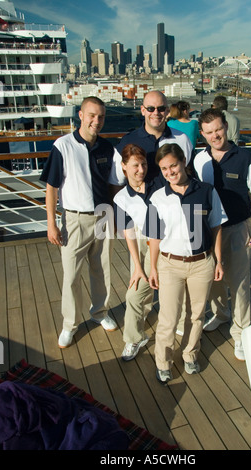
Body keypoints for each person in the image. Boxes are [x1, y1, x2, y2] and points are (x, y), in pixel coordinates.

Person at [40, 96, 118, 349]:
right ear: (81, 116)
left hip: (103, 215)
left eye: (101, 117)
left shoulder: (108, 149)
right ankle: (70, 324)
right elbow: (51, 189)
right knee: (71, 275)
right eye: (92, 115)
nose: (97, 121)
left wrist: (114, 214)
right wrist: (51, 223)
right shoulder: (62, 146)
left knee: (102, 270)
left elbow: (115, 185)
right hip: (74, 218)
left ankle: (100, 313)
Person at [146, 143, 227, 384]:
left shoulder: (207, 191)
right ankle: (163, 361)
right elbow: (154, 236)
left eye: (173, 165)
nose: (170, 172)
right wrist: (153, 267)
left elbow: (216, 226)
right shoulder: (157, 198)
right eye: (164, 169)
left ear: (184, 162)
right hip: (170, 264)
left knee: (196, 315)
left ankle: (190, 354)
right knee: (169, 318)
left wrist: (218, 261)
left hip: (202, 263)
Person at [194, 108, 251, 360]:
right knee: (213, 280)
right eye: (209, 132)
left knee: (239, 284)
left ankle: (241, 332)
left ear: (226, 127)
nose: (215, 135)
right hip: (208, 231)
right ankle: (221, 314)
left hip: (236, 229)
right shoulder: (198, 160)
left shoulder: (246, 158)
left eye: (218, 129)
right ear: (202, 134)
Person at [113, 144, 161, 361]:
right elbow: (129, 233)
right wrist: (138, 267)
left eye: (143, 164)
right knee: (133, 294)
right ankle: (134, 338)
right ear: (124, 167)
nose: (141, 169)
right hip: (141, 243)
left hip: (166, 241)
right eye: (135, 165)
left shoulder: (159, 185)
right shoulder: (121, 198)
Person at [110, 90, 194, 186]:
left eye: (161, 108)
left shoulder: (182, 139)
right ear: (143, 110)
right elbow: (116, 182)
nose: (156, 113)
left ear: (167, 111)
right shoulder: (127, 141)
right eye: (150, 108)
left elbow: (190, 176)